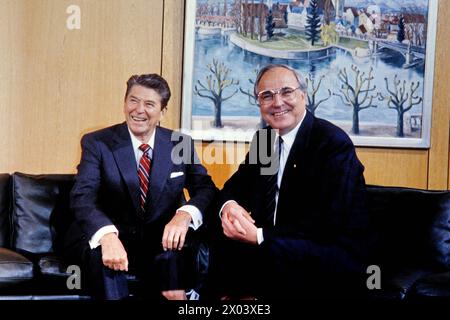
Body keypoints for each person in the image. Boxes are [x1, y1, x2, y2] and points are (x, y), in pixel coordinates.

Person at [207, 64, 373, 299]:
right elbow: (232, 189)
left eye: (286, 92)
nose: (277, 103)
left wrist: (260, 236)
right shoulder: (265, 140)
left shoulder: (332, 143)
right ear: (259, 103)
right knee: (219, 235)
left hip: (324, 249)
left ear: (303, 96)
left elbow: (326, 223)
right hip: (274, 247)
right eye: (267, 96)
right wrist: (229, 206)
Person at [63, 74, 216, 300]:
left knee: (174, 271)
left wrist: (184, 215)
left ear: (163, 112)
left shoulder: (180, 144)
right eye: (133, 101)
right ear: (125, 103)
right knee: (107, 264)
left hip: (159, 240)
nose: (138, 110)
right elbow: (82, 196)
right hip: (108, 234)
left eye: (149, 104)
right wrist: (107, 236)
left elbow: (205, 188)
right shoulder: (97, 142)